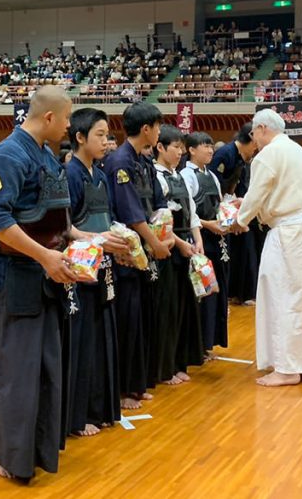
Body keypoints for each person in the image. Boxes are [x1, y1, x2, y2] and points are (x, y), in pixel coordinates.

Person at [0, 86, 89, 481]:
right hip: (14, 275)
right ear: (49, 118)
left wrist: (83, 240)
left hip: (44, 274)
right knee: (9, 368)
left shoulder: (47, 156)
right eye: (67, 118)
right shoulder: (8, 155)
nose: (69, 126)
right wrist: (45, 256)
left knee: (40, 366)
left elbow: (53, 218)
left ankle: (31, 445)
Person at [234, 109, 302, 387]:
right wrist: (247, 212)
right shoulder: (299, 151)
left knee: (283, 293)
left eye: (254, 133)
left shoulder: (268, 155)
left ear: (262, 129)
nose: (253, 139)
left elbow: (257, 193)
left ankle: (287, 367)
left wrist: (239, 219)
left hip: (290, 232)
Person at [64, 108, 128, 437]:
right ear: (79, 137)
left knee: (103, 336)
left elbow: (108, 218)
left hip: (104, 266)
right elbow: (65, 227)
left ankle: (100, 407)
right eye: (100, 135)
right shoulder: (70, 174)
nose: (106, 141)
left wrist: (122, 240)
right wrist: (98, 239)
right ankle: (78, 416)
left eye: (107, 135)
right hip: (79, 270)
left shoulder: (101, 175)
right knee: (82, 340)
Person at [103, 102, 171, 410]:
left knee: (144, 317)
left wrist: (164, 233)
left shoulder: (143, 160)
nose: (159, 131)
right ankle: (125, 388)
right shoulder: (120, 162)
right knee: (128, 320)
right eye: (157, 126)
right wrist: (153, 243)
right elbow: (130, 213)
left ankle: (139, 382)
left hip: (149, 248)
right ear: (146, 129)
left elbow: (157, 204)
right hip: (129, 253)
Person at [152, 125, 203, 386]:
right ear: (160, 148)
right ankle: (165, 367)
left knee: (185, 307)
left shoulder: (180, 176)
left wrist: (198, 240)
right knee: (167, 309)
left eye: (182, 148)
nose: (180, 153)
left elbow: (191, 211)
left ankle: (180, 361)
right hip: (168, 248)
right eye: (176, 148)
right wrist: (181, 243)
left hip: (187, 247)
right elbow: (158, 218)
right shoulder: (156, 176)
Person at [182, 131, 228, 359]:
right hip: (200, 242)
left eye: (211, 146)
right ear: (191, 150)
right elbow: (187, 213)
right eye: (204, 146)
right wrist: (209, 225)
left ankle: (209, 343)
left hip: (217, 240)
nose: (210, 150)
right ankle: (196, 347)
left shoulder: (212, 175)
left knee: (215, 293)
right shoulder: (186, 175)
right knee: (200, 294)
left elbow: (219, 204)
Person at [210, 124, 259, 306]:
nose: (255, 149)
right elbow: (215, 185)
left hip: (232, 205)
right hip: (220, 209)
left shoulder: (242, 158)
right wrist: (226, 212)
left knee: (244, 245)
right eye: (255, 144)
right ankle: (234, 293)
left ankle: (242, 293)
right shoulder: (225, 153)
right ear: (249, 139)